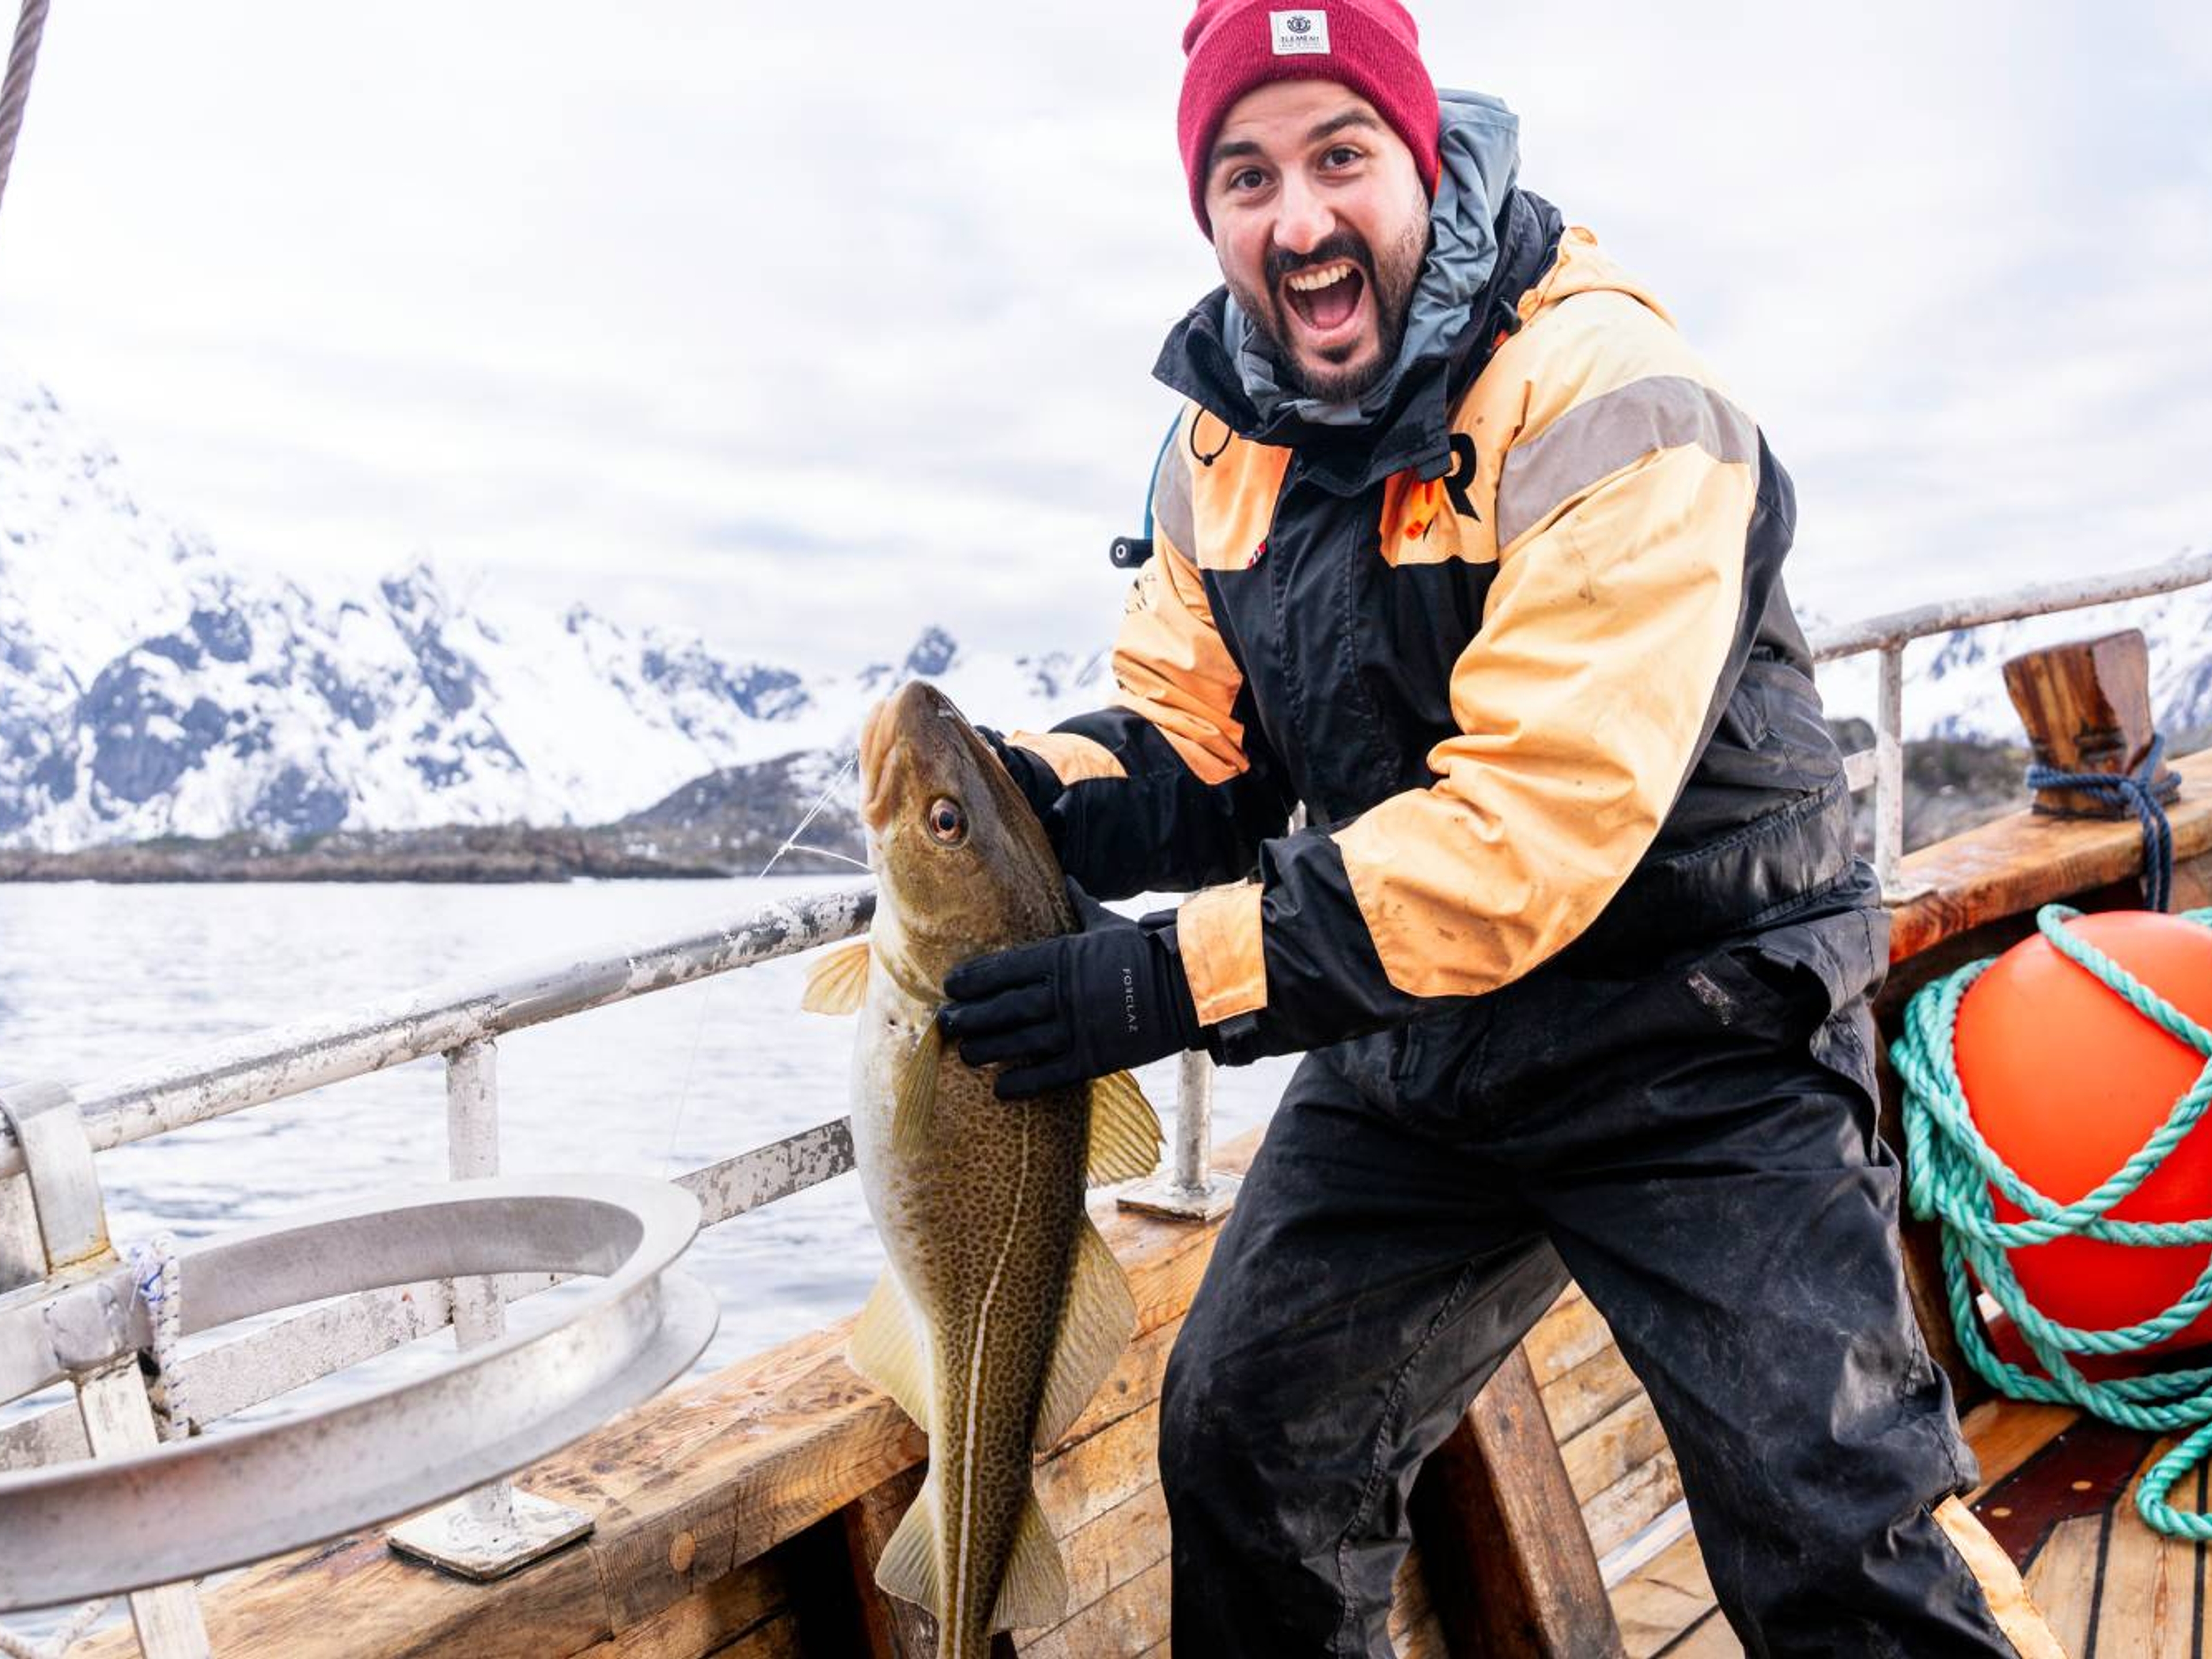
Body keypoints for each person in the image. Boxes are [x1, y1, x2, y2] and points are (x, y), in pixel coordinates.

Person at [938, 2, 2063, 1653]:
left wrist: (1156, 985)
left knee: (1839, 1537)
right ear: (1206, 211)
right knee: (1246, 1446)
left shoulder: (1616, 394)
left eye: (1340, 155)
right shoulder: (1214, 442)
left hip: (1691, 1028)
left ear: (1422, 156)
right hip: (1423, 1041)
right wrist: (1017, 797)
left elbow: (1533, 830)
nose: (1299, 218)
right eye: (1244, 175)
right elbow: (1203, 744)